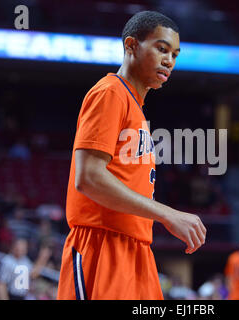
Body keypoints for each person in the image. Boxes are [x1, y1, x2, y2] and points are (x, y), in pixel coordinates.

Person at [57, 11, 206, 300]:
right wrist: (168, 214)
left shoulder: (135, 110)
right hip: (102, 246)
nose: (169, 61)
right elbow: (88, 177)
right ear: (131, 46)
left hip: (136, 248)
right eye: (161, 49)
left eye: (174, 54)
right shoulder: (110, 92)